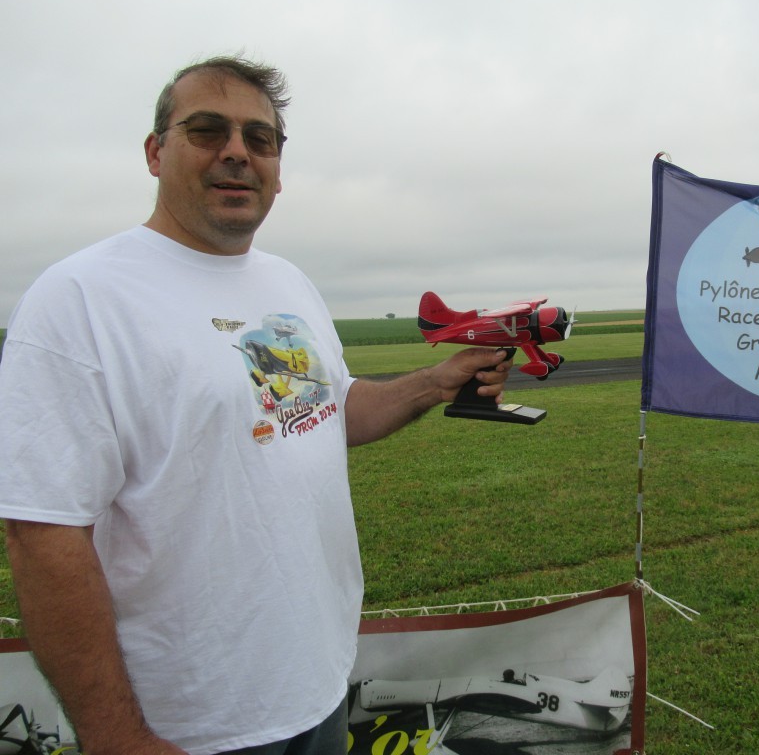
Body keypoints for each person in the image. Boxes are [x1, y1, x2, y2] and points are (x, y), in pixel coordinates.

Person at [0, 55, 511, 755]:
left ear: (277, 164)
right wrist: (116, 735)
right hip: (188, 723)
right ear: (156, 151)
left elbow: (331, 411)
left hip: (320, 684)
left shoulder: (288, 282)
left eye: (259, 139)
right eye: (208, 131)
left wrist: (437, 381)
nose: (237, 153)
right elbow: (44, 536)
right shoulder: (79, 300)